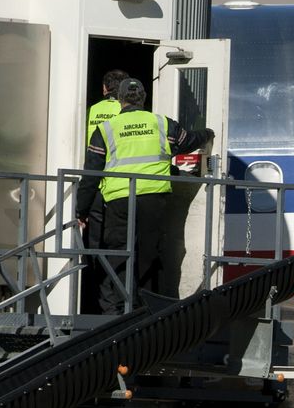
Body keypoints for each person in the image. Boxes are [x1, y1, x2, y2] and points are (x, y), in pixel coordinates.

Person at [75, 78, 214, 314]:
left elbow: (91, 175)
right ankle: (147, 310)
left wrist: (82, 210)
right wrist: (208, 133)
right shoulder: (161, 123)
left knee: (118, 255)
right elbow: (188, 141)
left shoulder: (106, 129)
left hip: (119, 202)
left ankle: (120, 312)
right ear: (144, 98)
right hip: (154, 200)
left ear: (119, 100)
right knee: (150, 255)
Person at [79, 69, 128, 314]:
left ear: (103, 89)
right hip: (120, 189)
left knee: (95, 248)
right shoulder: (128, 112)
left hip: (96, 188)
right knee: (121, 248)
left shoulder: (91, 111)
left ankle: (97, 302)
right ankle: (118, 304)